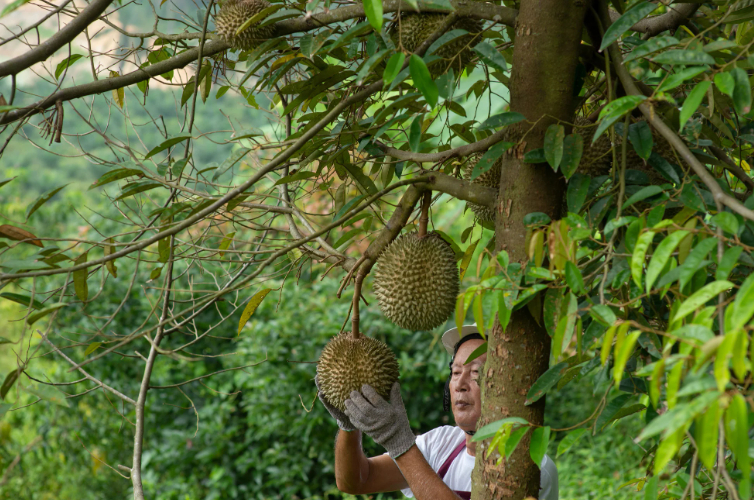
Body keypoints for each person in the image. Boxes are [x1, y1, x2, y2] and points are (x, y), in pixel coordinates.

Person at [317, 324, 558, 500]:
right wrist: (348, 426)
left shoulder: (530, 465)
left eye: (476, 373)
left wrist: (399, 442)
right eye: (455, 372)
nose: (460, 383)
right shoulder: (440, 444)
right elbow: (356, 480)